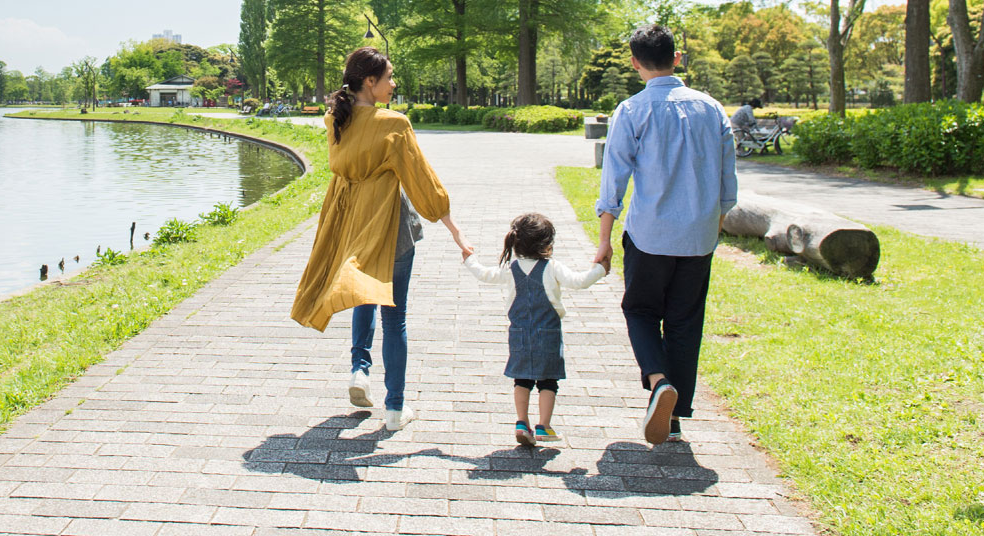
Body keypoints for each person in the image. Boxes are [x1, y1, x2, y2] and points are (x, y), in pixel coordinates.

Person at [291, 47, 474, 431]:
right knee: (395, 318)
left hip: (353, 223)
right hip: (391, 225)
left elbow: (340, 170)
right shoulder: (394, 123)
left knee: (362, 290)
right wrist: (456, 231)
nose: (394, 84)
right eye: (389, 77)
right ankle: (394, 409)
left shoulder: (335, 119)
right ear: (369, 82)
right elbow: (422, 181)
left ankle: (360, 370)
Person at [594, 25, 737, 445]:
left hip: (649, 234)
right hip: (698, 237)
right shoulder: (712, 109)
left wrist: (604, 242)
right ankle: (674, 417)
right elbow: (728, 185)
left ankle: (659, 383)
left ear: (635, 62)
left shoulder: (633, 111)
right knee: (685, 320)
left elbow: (612, 183)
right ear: (677, 58)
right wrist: (713, 227)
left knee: (639, 311)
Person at [463, 213, 605, 446]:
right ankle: (544, 426)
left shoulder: (511, 268)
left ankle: (521, 422)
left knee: (522, 379)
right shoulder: (552, 268)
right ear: (547, 244)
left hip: (519, 335)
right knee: (548, 381)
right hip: (548, 334)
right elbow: (580, 281)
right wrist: (600, 269)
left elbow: (484, 275)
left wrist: (469, 259)